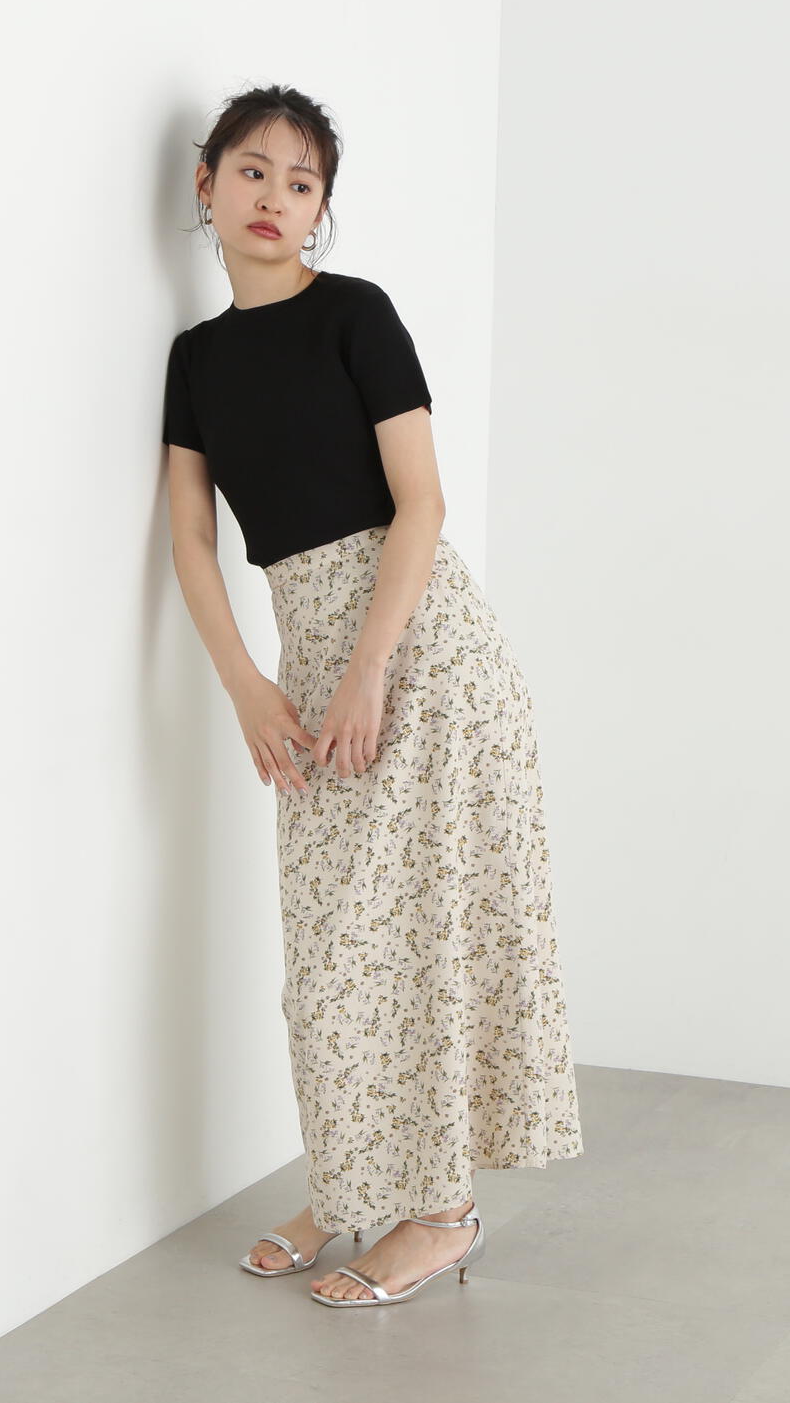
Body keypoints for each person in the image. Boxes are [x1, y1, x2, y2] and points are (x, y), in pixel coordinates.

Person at [161, 82, 583, 1308]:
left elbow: (422, 504)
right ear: (206, 184)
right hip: (303, 662)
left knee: (411, 939)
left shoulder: (354, 314)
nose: (273, 197)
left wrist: (367, 670)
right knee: (328, 949)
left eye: (301, 183)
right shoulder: (196, 360)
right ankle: (352, 1181)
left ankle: (439, 1213)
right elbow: (191, 540)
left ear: (320, 210)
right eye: (252, 171)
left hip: (422, 654)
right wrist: (246, 685)